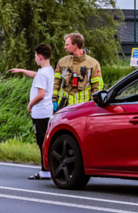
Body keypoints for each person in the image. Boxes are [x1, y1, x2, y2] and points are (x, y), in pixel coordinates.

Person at [8, 44, 55, 180]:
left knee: (42, 142)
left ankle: (45, 171)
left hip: (40, 113)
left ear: (40, 57)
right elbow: (36, 75)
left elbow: (41, 94)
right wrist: (22, 70)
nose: (35, 58)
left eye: (35, 56)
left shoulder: (42, 73)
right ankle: (49, 169)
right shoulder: (49, 70)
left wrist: (30, 105)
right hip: (47, 111)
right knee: (46, 141)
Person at [53, 33, 103, 109]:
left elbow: (97, 86)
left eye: (67, 45)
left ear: (75, 45)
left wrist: (94, 104)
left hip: (83, 108)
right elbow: (56, 82)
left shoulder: (93, 63)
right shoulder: (62, 62)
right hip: (64, 107)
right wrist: (54, 99)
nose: (65, 47)